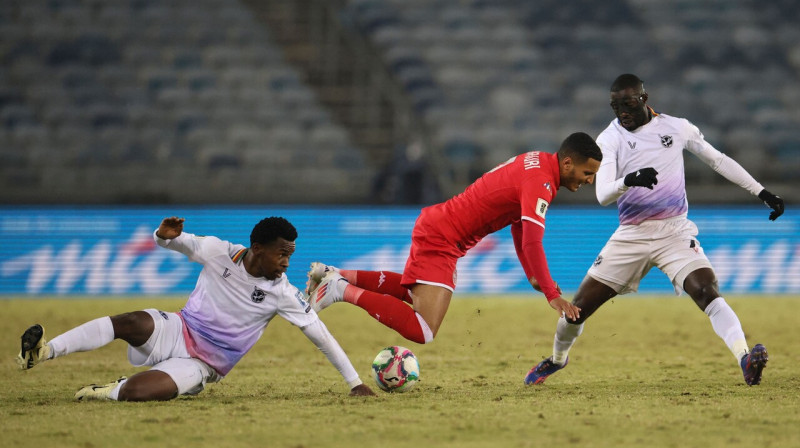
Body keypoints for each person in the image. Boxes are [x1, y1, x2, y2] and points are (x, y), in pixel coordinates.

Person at [526, 74, 785, 387]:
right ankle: (556, 359)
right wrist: (630, 179)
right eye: (616, 106)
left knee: (706, 291)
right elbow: (603, 194)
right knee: (576, 312)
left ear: (644, 98)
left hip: (674, 231)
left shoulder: (676, 128)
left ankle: (745, 359)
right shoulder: (609, 139)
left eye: (628, 103)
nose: (622, 112)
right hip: (631, 235)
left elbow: (717, 160)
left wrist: (762, 192)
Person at [305, 132, 602, 356]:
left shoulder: (537, 161)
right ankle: (340, 289)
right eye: (587, 173)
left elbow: (519, 226)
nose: (589, 180)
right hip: (444, 237)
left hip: (441, 228)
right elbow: (534, 241)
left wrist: (533, 276)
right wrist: (552, 294)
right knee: (424, 330)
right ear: (567, 163)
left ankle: (335, 273)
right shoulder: (542, 183)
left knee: (414, 292)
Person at [16, 216, 375, 401]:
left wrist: (356, 383)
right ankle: (44, 352)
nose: (285, 262)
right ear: (256, 247)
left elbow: (322, 337)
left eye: (290, 255)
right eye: (281, 253)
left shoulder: (283, 293)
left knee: (137, 394)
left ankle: (110, 389)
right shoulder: (219, 250)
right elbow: (170, 242)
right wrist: (163, 234)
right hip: (179, 328)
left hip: (203, 364)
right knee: (130, 320)